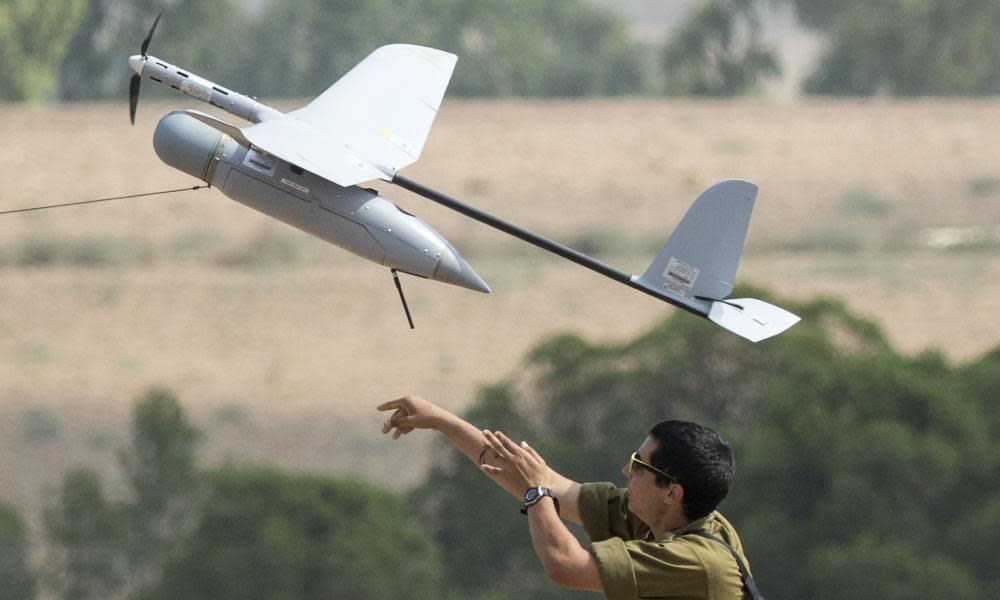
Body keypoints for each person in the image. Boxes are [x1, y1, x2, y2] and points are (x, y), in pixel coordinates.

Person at [378, 395, 763, 600]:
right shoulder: (658, 518)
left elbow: (565, 565)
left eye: (639, 465)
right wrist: (445, 422)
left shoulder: (699, 561)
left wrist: (535, 493)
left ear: (672, 493)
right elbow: (544, 484)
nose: (626, 471)